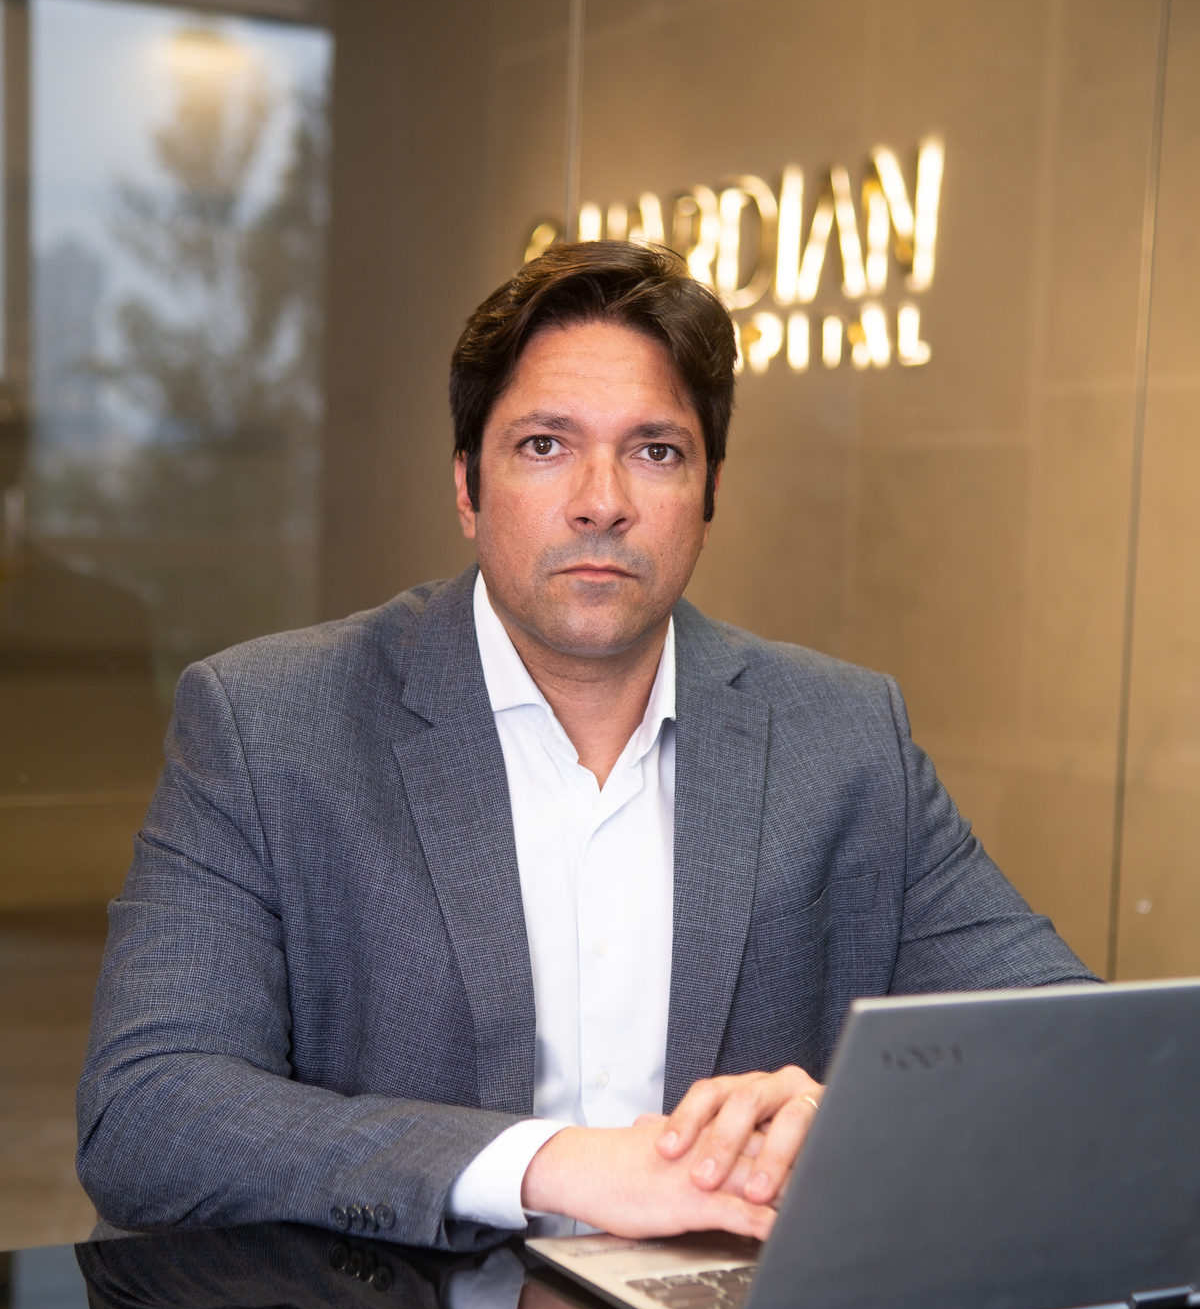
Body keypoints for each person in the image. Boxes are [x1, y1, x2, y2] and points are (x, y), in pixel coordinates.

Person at [76, 240, 1093, 1253]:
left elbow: (1075, 1050)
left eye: (656, 452)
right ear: (467, 488)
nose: (602, 500)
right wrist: (549, 1164)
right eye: (545, 445)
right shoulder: (269, 725)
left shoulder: (844, 738)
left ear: (709, 495)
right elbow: (147, 1108)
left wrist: (856, 1119)